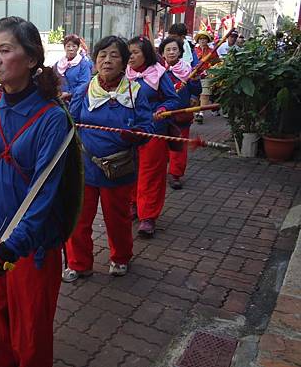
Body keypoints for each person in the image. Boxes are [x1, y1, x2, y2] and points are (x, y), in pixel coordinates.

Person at [0, 17, 73, 367]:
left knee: (29, 334)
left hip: (31, 247)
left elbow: (44, 193)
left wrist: (12, 247)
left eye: (5, 50)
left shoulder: (53, 118)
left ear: (32, 59)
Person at [63, 36, 154, 281]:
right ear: (94, 61)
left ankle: (120, 258)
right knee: (79, 219)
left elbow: (147, 127)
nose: (107, 60)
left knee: (118, 220)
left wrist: (136, 135)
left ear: (125, 62)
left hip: (119, 170)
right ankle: (79, 263)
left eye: (114, 55)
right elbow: (70, 123)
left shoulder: (135, 93)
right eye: (102, 55)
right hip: (85, 168)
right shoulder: (83, 91)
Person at [126, 36, 180, 237]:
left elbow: (173, 99)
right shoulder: (124, 73)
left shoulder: (159, 73)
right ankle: (133, 204)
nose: (130, 57)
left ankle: (148, 216)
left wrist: (163, 108)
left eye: (135, 53)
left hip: (153, 131)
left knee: (151, 172)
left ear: (146, 54)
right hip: (128, 131)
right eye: (128, 52)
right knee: (129, 169)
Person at [159, 37, 202, 190]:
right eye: (168, 49)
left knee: (179, 144)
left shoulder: (187, 69)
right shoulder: (157, 70)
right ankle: (160, 171)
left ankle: (175, 174)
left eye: (174, 49)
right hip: (162, 114)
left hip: (181, 113)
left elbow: (196, 90)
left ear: (180, 52)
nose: (171, 52)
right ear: (162, 53)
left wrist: (194, 93)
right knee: (159, 144)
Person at [54, 34, 92, 102]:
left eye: (74, 46)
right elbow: (52, 80)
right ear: (64, 47)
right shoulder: (58, 64)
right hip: (59, 101)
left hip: (77, 101)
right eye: (68, 46)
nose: (71, 49)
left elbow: (84, 84)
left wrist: (70, 94)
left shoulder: (83, 64)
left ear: (78, 47)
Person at [194, 30, 220, 124]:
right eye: (201, 39)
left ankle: (201, 114)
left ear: (207, 40)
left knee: (204, 94)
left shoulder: (212, 51)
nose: (202, 40)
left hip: (207, 75)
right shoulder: (194, 50)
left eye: (204, 39)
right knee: (195, 95)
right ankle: (196, 112)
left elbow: (217, 62)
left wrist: (210, 68)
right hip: (194, 75)